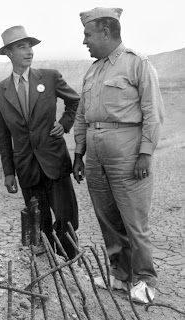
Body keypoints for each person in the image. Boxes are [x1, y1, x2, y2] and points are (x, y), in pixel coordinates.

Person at [73, 7, 164, 303]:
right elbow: (82, 115)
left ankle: (146, 280)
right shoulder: (93, 70)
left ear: (105, 32)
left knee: (134, 219)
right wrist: (79, 152)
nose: (84, 40)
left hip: (127, 152)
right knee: (107, 217)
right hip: (95, 155)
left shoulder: (137, 64)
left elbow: (153, 113)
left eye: (88, 34)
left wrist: (145, 154)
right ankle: (121, 275)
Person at [0, 25, 80, 259]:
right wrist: (9, 172)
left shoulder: (49, 77)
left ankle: (71, 270)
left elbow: (75, 102)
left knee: (66, 221)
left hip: (54, 163)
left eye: (30, 46)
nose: (29, 51)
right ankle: (47, 274)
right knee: (38, 224)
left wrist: (65, 123)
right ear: (9, 53)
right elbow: (3, 135)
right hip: (26, 169)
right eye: (22, 47)